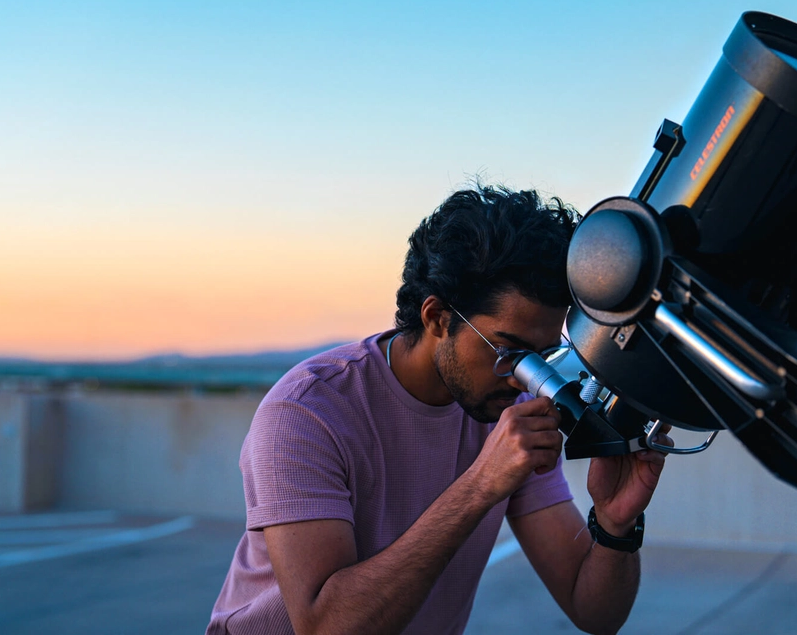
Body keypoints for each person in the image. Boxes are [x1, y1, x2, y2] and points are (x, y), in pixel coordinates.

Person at [207, 184, 670, 635]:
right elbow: (327, 626)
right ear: (436, 318)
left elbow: (595, 612)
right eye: (509, 349)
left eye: (542, 356)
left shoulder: (513, 408)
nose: (520, 377)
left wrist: (614, 524)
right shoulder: (308, 412)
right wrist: (481, 485)